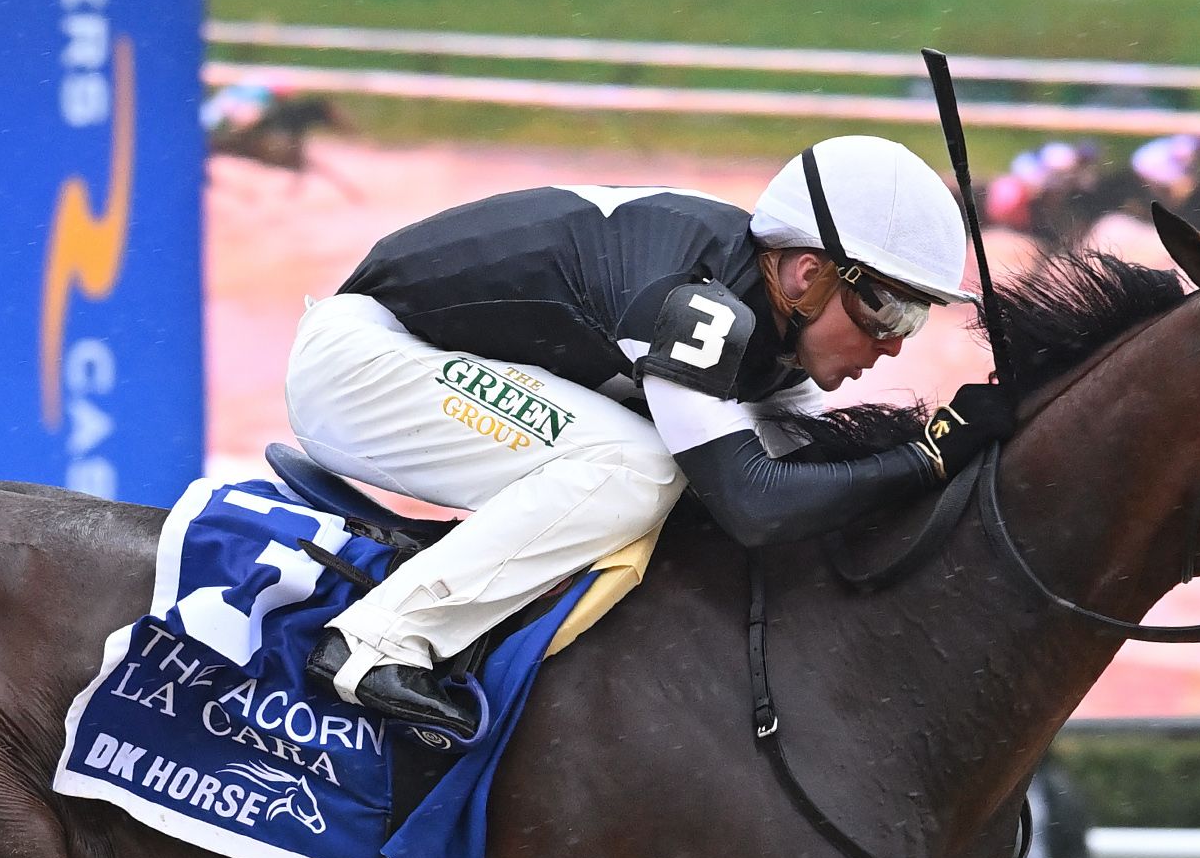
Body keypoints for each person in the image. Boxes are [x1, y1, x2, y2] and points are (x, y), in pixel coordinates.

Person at [286, 135, 1012, 739]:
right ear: (807, 272)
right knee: (642, 467)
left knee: (711, 467)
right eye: (886, 310)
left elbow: (806, 493)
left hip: (437, 360)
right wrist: (925, 457)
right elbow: (757, 507)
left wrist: (945, 461)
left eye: (913, 323)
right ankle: (374, 643)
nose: (891, 345)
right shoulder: (698, 305)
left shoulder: (766, 332)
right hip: (361, 362)